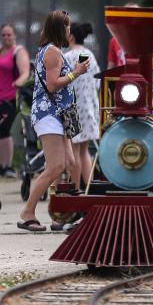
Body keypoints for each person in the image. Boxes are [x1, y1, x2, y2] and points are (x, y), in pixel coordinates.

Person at [17, 10, 90, 232]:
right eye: (67, 26)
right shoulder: (52, 53)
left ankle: (63, 214)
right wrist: (75, 73)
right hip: (48, 114)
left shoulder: (51, 51)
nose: (69, 31)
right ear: (60, 28)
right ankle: (27, 213)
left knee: (70, 162)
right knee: (56, 166)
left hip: (58, 114)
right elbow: (51, 85)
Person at [0, 23, 30, 177]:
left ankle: (8, 166)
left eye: (9, 34)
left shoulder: (18, 51)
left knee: (4, 129)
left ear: (14, 35)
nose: (6, 37)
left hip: (9, 98)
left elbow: (25, 71)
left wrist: (19, 82)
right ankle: (2, 166)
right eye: (3, 34)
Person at [63, 22, 101, 186]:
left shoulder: (68, 56)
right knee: (84, 151)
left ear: (70, 36)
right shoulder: (89, 55)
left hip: (73, 108)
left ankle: (76, 189)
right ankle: (89, 189)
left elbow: (62, 82)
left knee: (74, 151)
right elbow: (97, 82)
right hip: (89, 109)